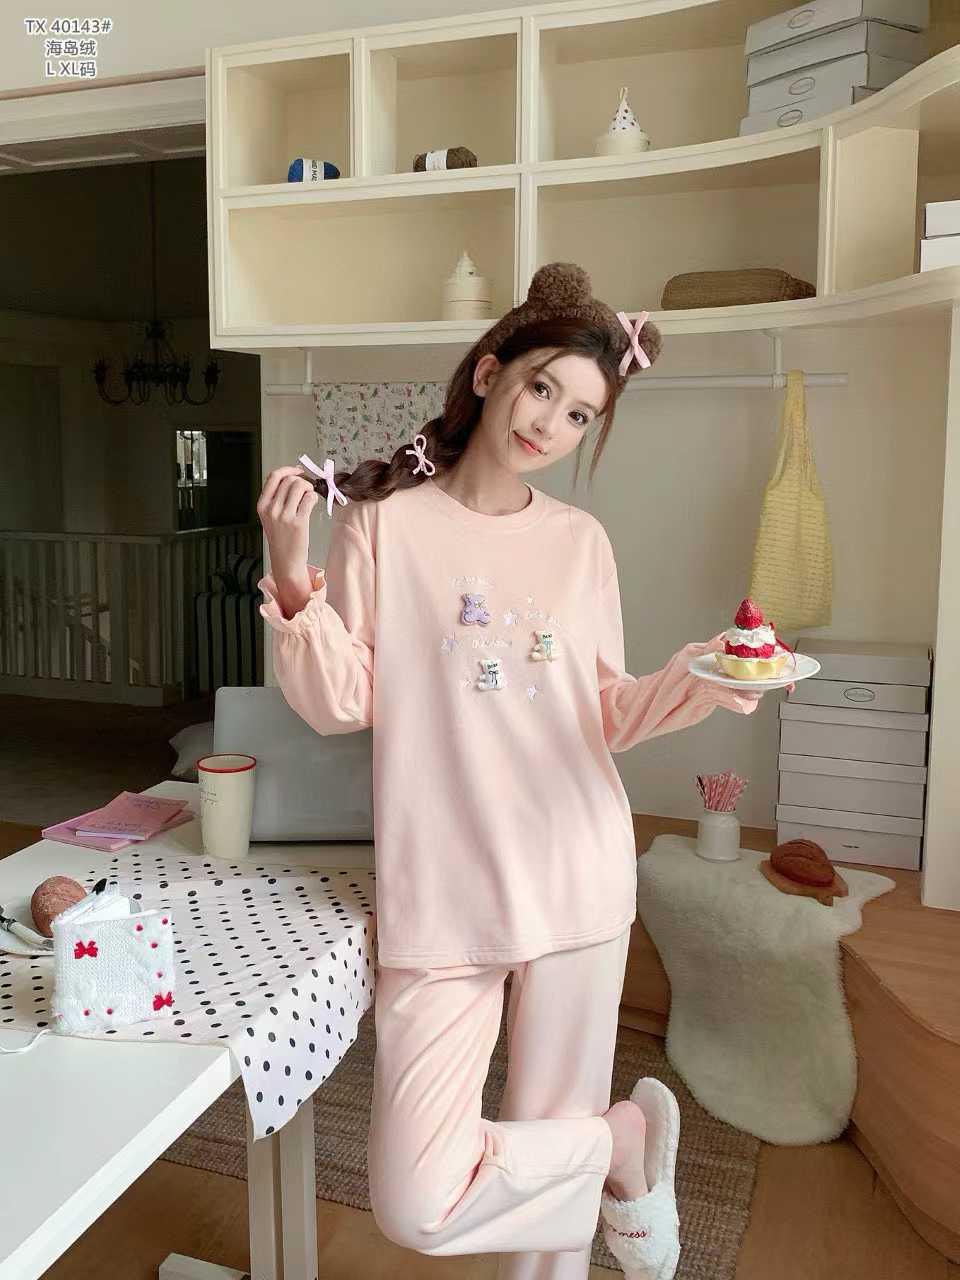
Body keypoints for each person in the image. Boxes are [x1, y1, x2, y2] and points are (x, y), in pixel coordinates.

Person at [255, 263, 768, 1280]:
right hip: (443, 889)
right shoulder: (384, 520)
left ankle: (601, 1157)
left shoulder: (581, 542)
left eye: (580, 414)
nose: (550, 424)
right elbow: (342, 699)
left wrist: (704, 676)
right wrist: (287, 563)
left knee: (545, 1227)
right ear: (489, 372)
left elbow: (603, 710)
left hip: (575, 875)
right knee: (415, 1196)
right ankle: (618, 1142)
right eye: (541, 388)